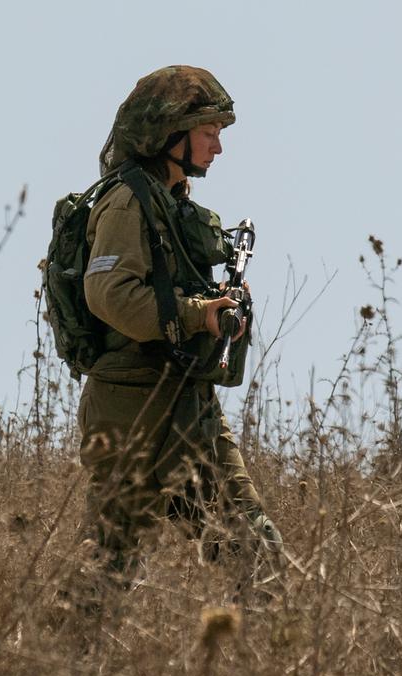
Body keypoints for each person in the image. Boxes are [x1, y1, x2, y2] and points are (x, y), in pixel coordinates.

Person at [74, 65, 282, 610]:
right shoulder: (126, 202)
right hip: (131, 407)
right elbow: (109, 295)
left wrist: (216, 308)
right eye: (209, 132)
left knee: (253, 552)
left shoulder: (172, 202)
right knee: (108, 571)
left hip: (186, 400)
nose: (217, 147)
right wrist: (197, 314)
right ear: (169, 134)